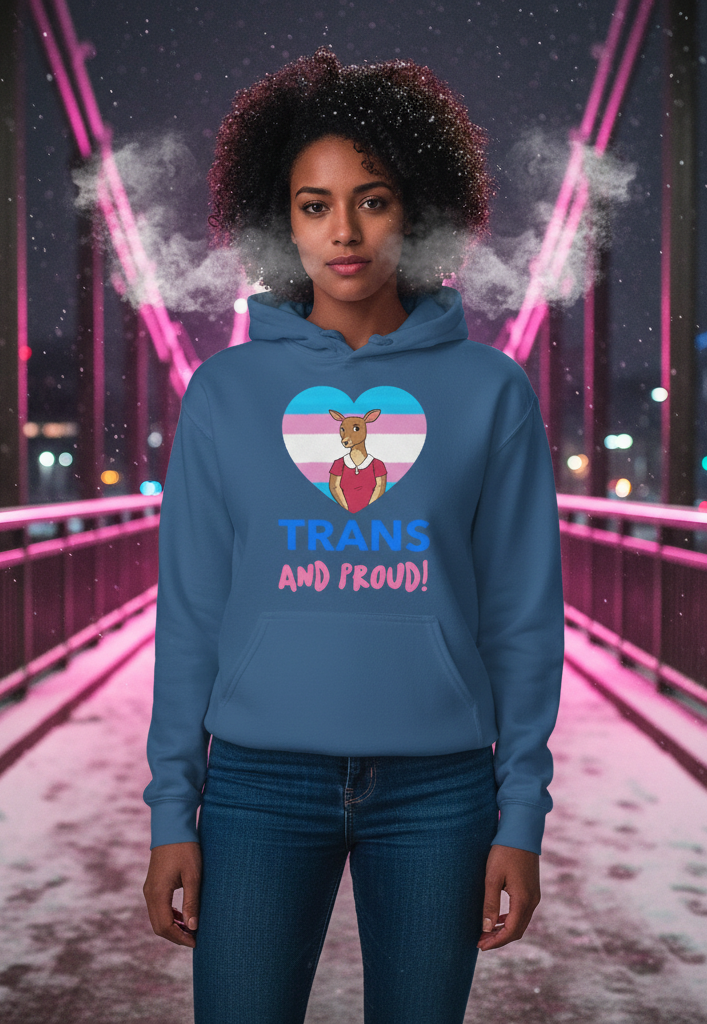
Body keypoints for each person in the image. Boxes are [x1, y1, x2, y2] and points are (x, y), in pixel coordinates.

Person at [142, 47, 564, 1024]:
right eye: (313, 204)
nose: (344, 231)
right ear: (278, 220)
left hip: (441, 793)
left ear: (414, 209)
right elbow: (192, 613)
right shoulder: (226, 394)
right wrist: (173, 809)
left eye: (371, 200)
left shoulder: (490, 391)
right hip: (254, 784)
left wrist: (522, 813)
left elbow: (521, 617)